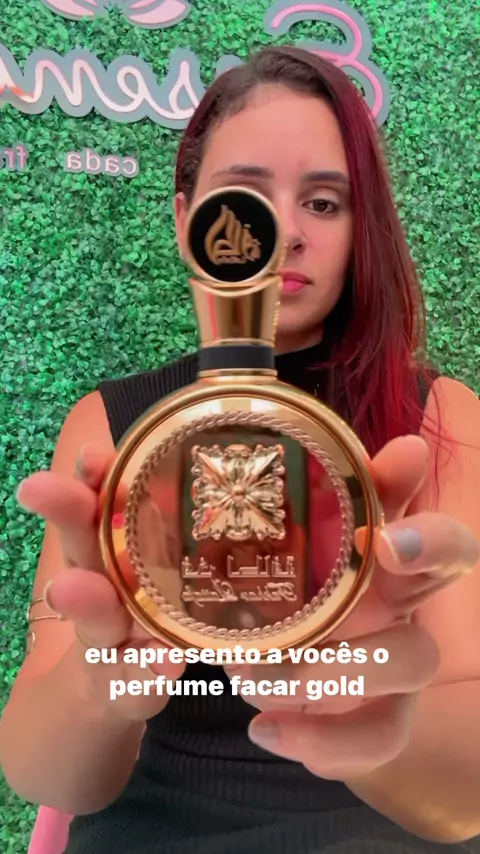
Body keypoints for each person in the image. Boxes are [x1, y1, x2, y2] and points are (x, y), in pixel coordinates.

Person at [1, 45, 479, 854]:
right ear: (184, 215)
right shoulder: (113, 427)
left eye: (323, 202)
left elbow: (466, 798)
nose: (283, 233)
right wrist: (105, 680)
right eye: (243, 199)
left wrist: (368, 723)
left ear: (360, 225)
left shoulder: (433, 419)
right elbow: (44, 776)